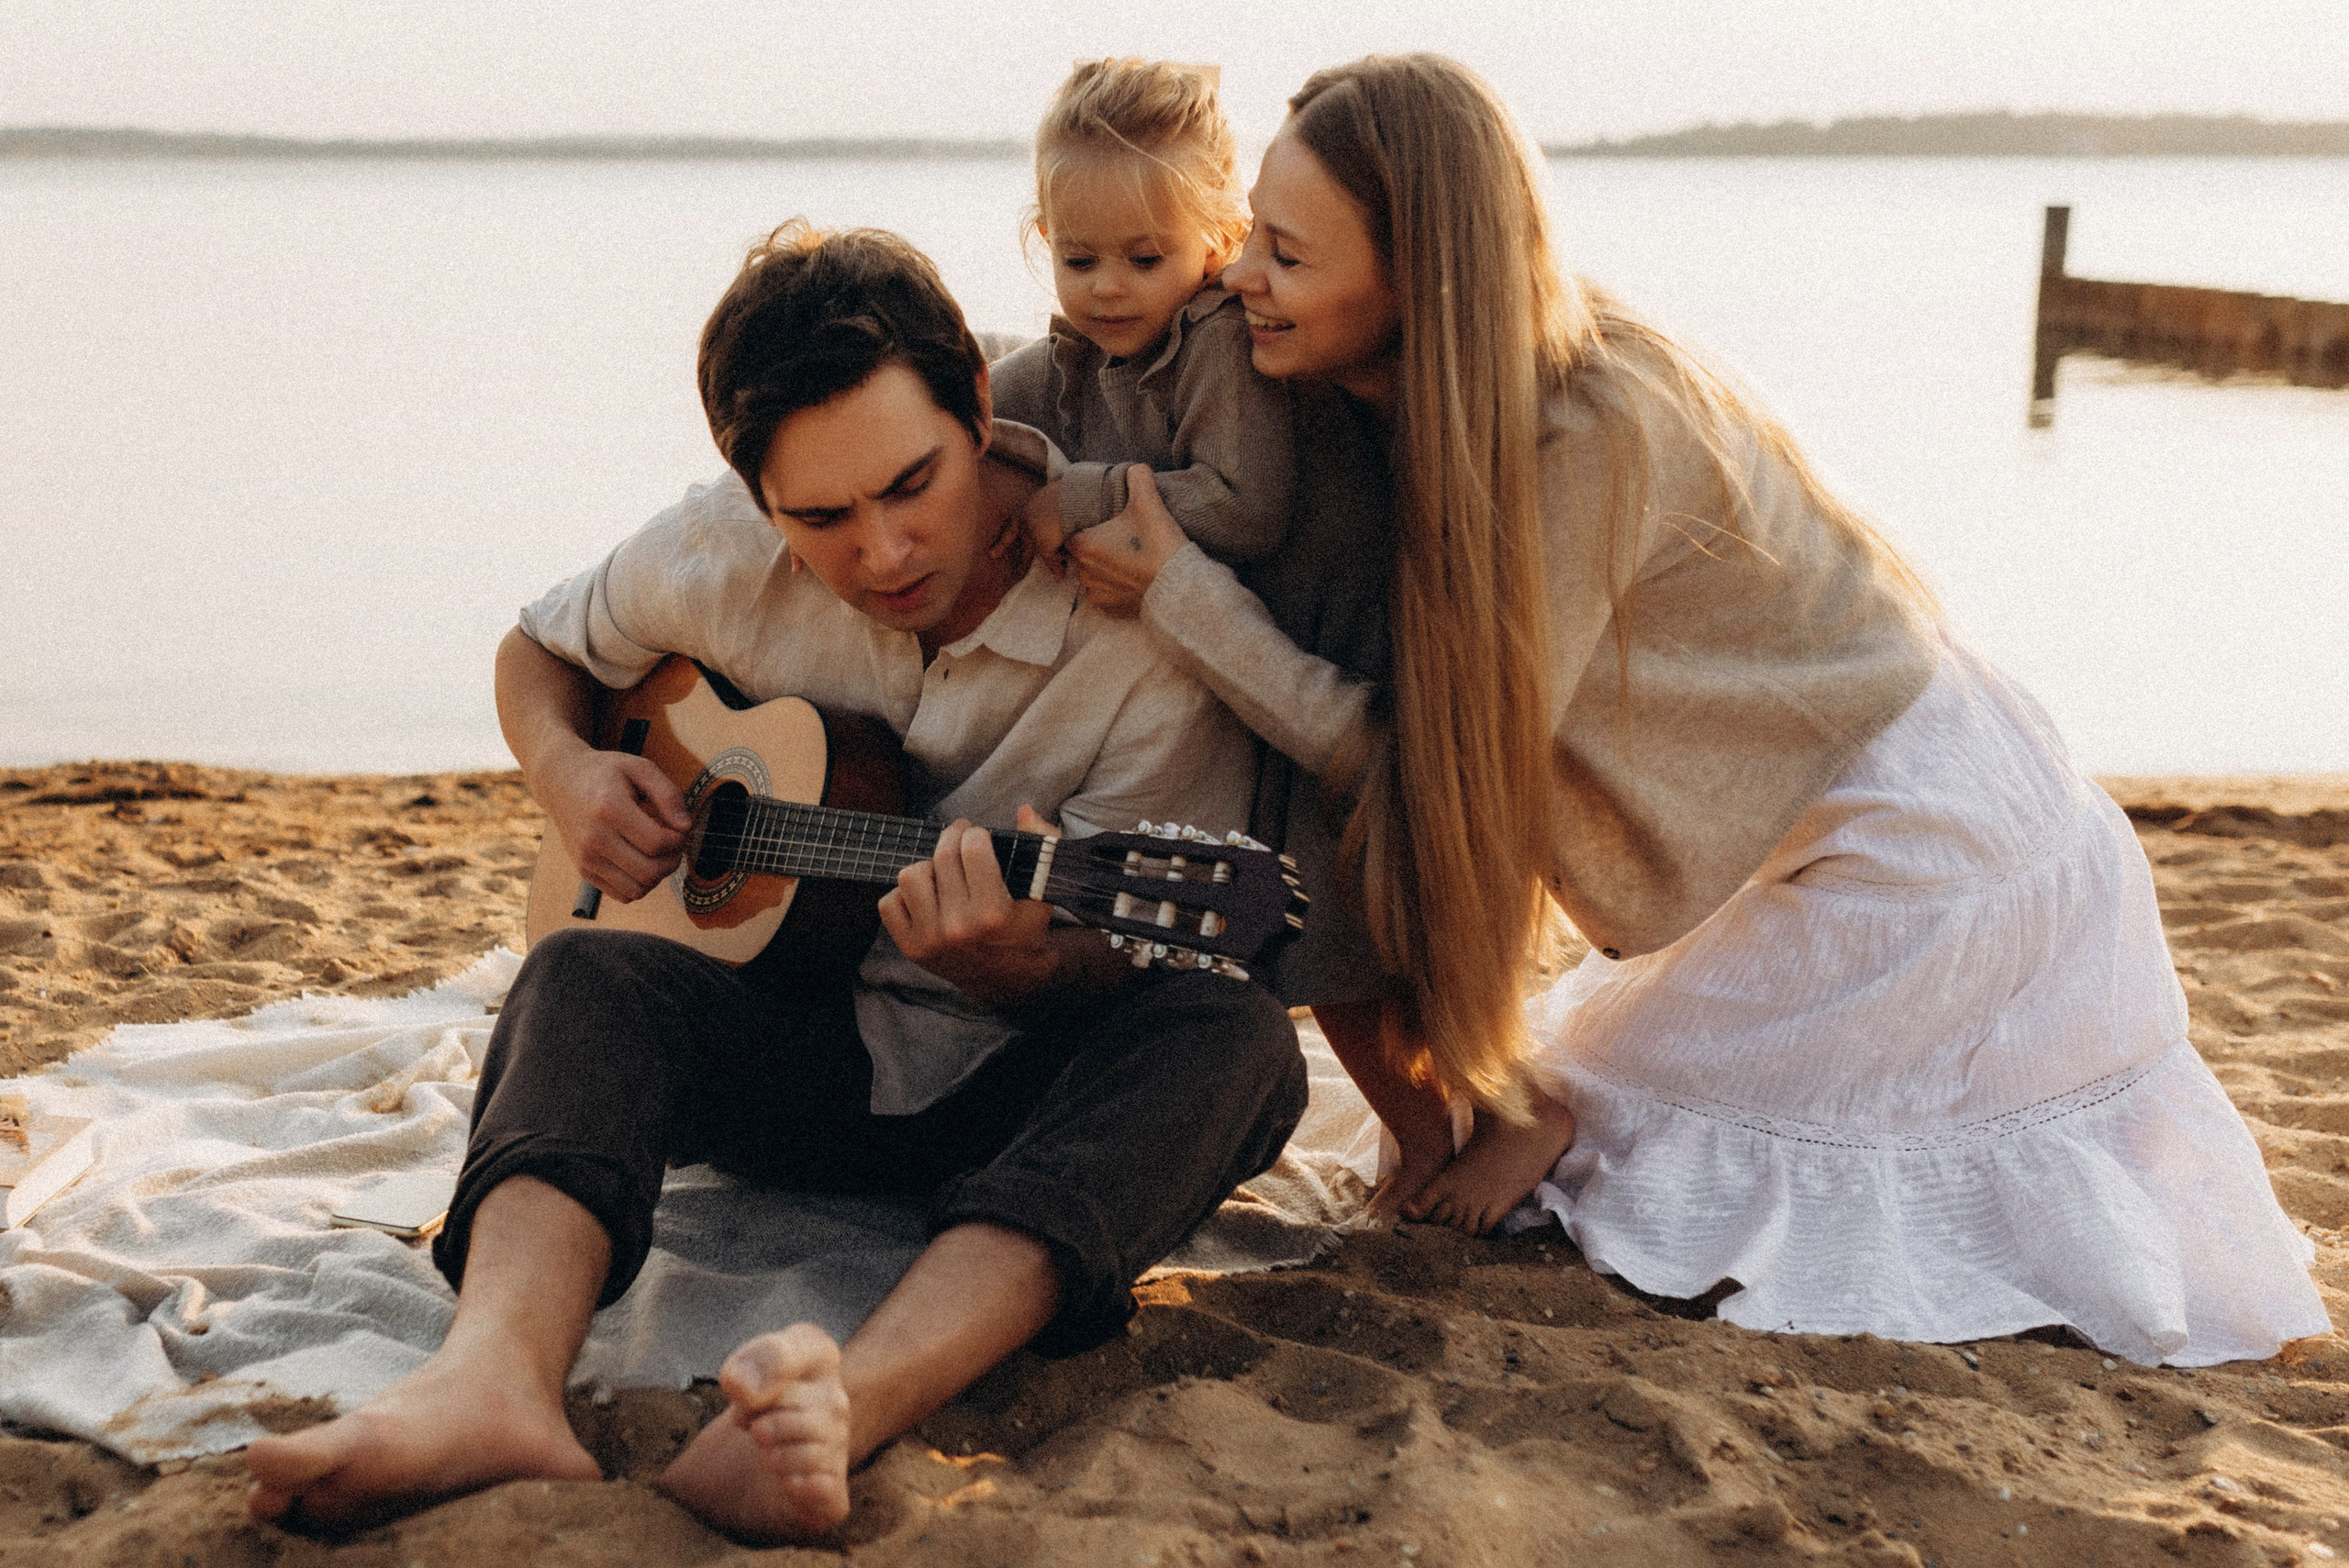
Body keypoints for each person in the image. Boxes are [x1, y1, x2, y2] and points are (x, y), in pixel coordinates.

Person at [1081, 53, 2327, 1363]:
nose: (1234, 279)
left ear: (1417, 282)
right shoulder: (1437, 383)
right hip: (1798, 825)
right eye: (1245, 240)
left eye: (1282, 254)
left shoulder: (1591, 428)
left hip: (1929, 855)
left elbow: (1441, 779)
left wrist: (1185, 596)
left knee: (1621, 1150)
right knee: (1595, 1096)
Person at [242, 222, 1305, 1539]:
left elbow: (1149, 954)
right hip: (789, 1050)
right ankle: (489, 1380)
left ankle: (853, 1400)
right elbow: (538, 649)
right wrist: (570, 772)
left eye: (911, 484)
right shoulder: (714, 557)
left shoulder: (1136, 622)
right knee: (579, 969)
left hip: (1017, 1106)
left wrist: (1023, 965)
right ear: (756, 499)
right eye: (820, 516)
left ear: (978, 406)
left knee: (1239, 1038)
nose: (883, 550)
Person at [991, 57, 1414, 1169]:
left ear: (1219, 242)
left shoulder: (1217, 342)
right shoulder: (1083, 352)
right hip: (1232, 682)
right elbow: (1018, 400)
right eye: (1080, 258)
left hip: (1314, 653)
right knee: (1261, 927)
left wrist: (1082, 494)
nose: (1111, 288)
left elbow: (1248, 503)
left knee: (1341, 948)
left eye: (1146, 257)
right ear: (1042, 237)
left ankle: (1432, 1134)